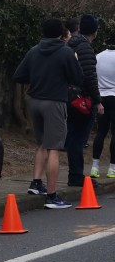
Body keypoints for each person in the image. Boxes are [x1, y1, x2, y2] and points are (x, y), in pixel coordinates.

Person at [13, 18, 83, 208]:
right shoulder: (65, 52)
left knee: (42, 143)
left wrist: (37, 77)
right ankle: (52, 195)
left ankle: (36, 183)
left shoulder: (34, 51)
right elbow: (78, 78)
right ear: (61, 33)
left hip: (35, 101)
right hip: (55, 102)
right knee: (54, 147)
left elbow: (18, 75)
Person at [65, 14, 104, 187]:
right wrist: (97, 100)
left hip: (69, 97)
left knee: (73, 135)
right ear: (94, 32)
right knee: (79, 139)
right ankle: (76, 175)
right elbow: (90, 76)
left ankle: (75, 173)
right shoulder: (86, 48)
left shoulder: (69, 45)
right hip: (83, 99)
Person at [90, 40, 115, 178]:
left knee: (101, 132)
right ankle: (112, 169)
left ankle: (94, 167)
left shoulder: (98, 56)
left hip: (101, 98)